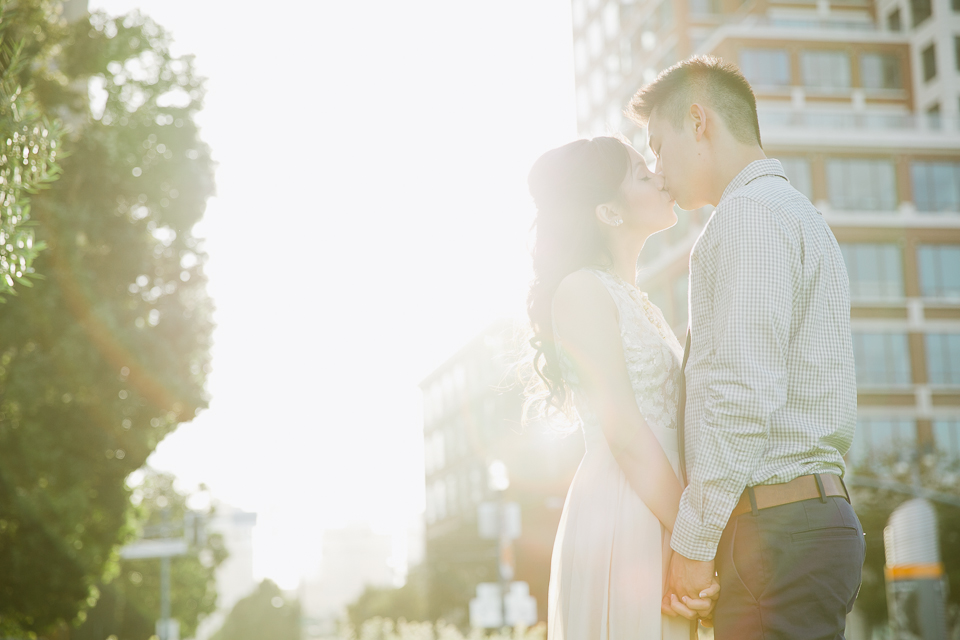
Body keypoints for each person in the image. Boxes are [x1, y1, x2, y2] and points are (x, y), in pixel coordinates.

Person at [627, 56, 865, 639]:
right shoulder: (789, 213)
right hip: (795, 526)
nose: (657, 169)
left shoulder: (749, 218)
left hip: (775, 529)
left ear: (699, 121)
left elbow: (741, 392)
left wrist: (693, 544)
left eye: (658, 146)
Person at [525, 136, 718, 640]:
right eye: (639, 173)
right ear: (608, 211)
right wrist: (696, 537)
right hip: (625, 511)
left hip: (662, 506)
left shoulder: (638, 299)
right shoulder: (581, 290)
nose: (658, 175)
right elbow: (625, 431)